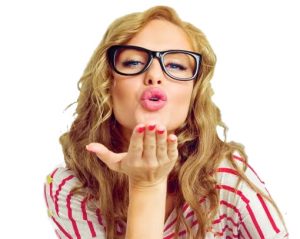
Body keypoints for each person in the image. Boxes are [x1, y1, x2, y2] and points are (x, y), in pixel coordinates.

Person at [44, 5, 288, 239]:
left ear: (194, 92)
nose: (154, 75)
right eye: (133, 63)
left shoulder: (227, 176)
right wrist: (146, 184)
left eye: (175, 65)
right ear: (106, 84)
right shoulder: (71, 187)